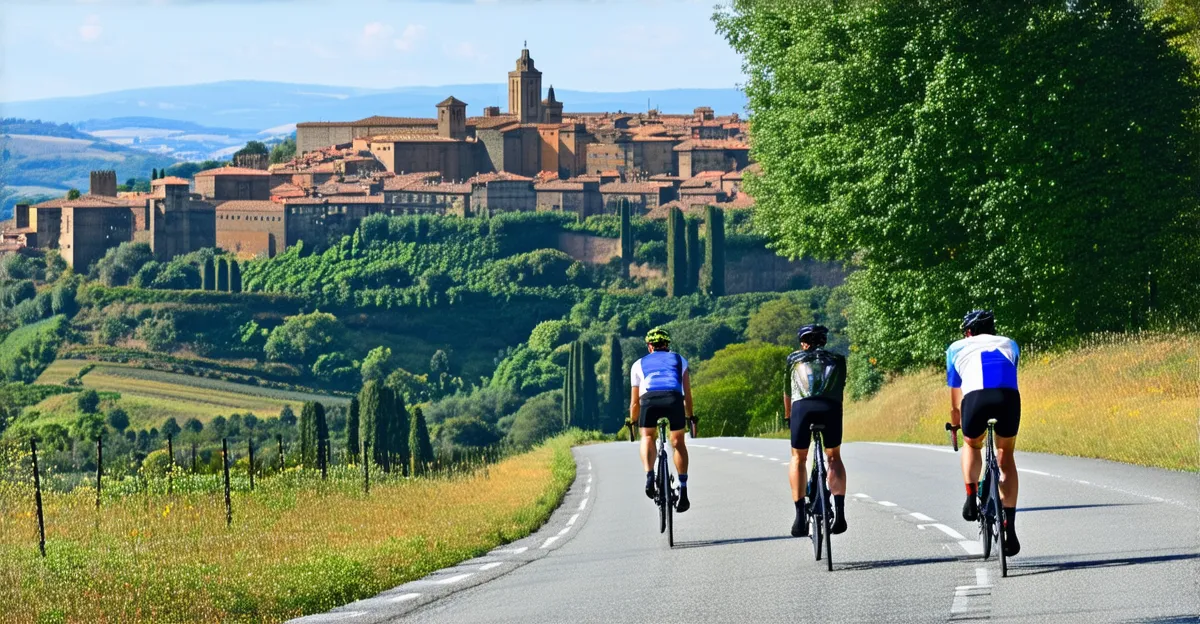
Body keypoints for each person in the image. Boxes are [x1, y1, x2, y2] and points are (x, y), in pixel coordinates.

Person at [947, 309, 1021, 557]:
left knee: (972, 444)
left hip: (976, 400)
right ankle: (1010, 527)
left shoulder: (956, 348)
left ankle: (970, 497)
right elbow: (1008, 375)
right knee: (1005, 455)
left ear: (968, 332)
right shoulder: (1010, 344)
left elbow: (956, 398)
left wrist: (956, 424)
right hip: (1007, 399)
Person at [785, 324, 848, 538]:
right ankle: (839, 512)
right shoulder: (838, 359)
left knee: (798, 458)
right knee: (834, 457)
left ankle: (800, 516)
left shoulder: (793, 360)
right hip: (830, 408)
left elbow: (788, 393)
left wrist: (788, 418)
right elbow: (841, 387)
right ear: (824, 342)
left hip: (802, 409)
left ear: (804, 343)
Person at [630, 327, 695, 512]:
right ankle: (683, 489)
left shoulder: (638, 364)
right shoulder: (679, 359)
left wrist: (633, 421)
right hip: (673, 399)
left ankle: (649, 475)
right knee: (678, 442)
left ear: (649, 346)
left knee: (648, 437)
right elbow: (687, 395)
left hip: (648, 401)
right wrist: (690, 415)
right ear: (667, 345)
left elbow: (635, 402)